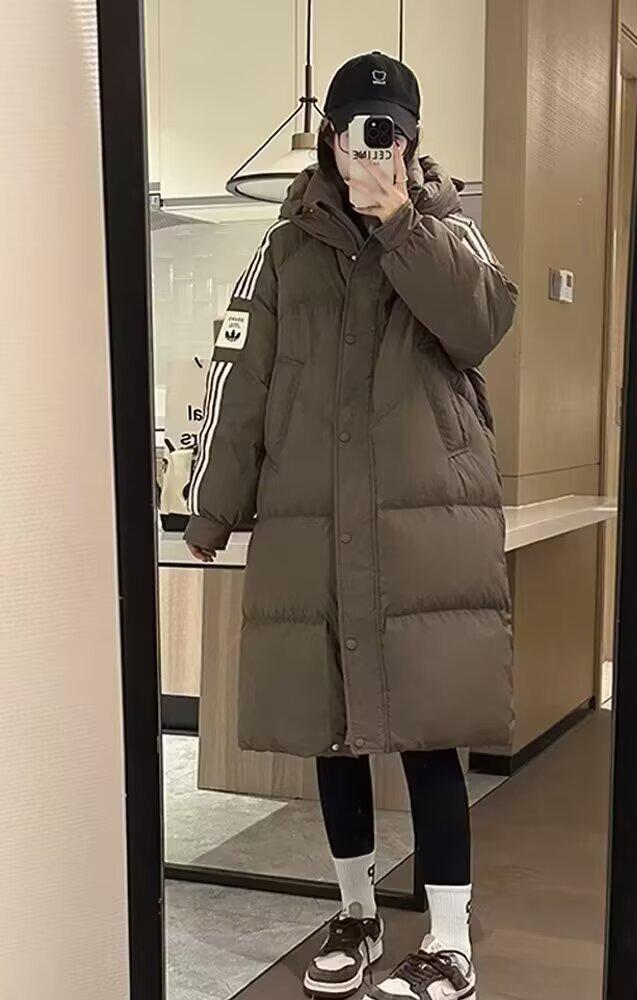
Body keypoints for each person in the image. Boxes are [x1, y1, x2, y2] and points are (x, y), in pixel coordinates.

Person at [185, 50, 517, 1000]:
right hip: (315, 520)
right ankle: (358, 912)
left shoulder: (449, 228)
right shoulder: (285, 249)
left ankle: (449, 938)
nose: (369, 148)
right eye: (354, 131)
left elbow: (482, 323)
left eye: (387, 132)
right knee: (331, 730)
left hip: (422, 529)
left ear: (411, 141)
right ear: (328, 137)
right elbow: (240, 382)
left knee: (430, 732)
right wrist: (213, 507)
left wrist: (402, 222)